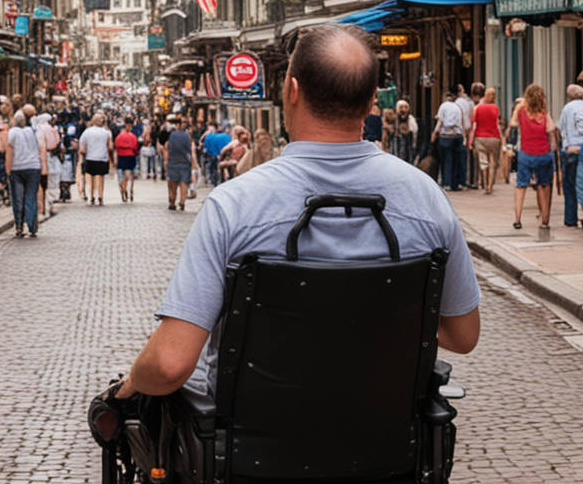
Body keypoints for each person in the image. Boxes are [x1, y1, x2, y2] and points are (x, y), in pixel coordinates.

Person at [111, 24, 480, 402]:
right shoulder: (427, 199)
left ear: (291, 91)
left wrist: (129, 385)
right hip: (388, 443)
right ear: (372, 103)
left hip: (251, 451)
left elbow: (169, 365)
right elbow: (464, 335)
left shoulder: (233, 206)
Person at [510, 85, 555, 231]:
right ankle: (545, 220)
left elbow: (513, 123)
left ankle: (517, 219)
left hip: (526, 153)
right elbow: (551, 128)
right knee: (543, 186)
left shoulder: (522, 111)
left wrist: (518, 108)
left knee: (521, 186)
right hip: (543, 153)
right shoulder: (543, 113)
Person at [4, 105, 45, 237]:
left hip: (17, 168)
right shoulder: (35, 130)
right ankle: (32, 226)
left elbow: (9, 152)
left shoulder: (12, 132)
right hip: (33, 167)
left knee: (18, 198)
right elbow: (41, 149)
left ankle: (19, 226)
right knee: (31, 196)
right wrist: (43, 167)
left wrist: (7, 169)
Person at [556, 86, 583, 226]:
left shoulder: (566, 108)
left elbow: (561, 127)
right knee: (582, 186)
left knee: (569, 187)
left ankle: (570, 218)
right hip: (579, 149)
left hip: (568, 149)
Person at [467, 87, 501, 194]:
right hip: (494, 137)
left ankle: (484, 183)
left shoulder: (477, 108)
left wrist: (470, 141)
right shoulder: (495, 108)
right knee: (493, 162)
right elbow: (497, 123)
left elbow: (473, 125)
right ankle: (490, 185)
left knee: (483, 162)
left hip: (480, 137)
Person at [432, 92, 465, 191]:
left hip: (446, 136)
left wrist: (434, 134)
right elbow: (462, 122)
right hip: (457, 136)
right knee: (456, 160)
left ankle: (447, 183)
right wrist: (465, 137)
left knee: (446, 160)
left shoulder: (443, 106)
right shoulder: (458, 107)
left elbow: (440, 121)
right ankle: (456, 183)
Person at [80, 111, 113, 206]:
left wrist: (84, 152)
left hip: (90, 157)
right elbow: (110, 147)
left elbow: (82, 145)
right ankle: (100, 196)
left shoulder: (87, 132)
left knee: (91, 177)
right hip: (102, 157)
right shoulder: (107, 132)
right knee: (100, 177)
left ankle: (91, 196)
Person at [164, 117, 195, 210]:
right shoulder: (187, 136)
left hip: (173, 161)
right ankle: (182, 202)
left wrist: (165, 161)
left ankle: (172, 201)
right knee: (183, 182)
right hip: (184, 162)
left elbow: (168, 147)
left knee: (172, 182)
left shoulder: (172, 135)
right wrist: (194, 165)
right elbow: (190, 151)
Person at [114, 119, 139, 203]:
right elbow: (135, 147)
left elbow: (116, 146)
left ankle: (123, 191)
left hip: (121, 156)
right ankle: (130, 189)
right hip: (130, 156)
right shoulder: (133, 136)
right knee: (130, 174)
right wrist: (136, 153)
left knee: (122, 175)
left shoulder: (119, 136)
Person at [202, 121, 231, 190]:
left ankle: (215, 181)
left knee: (213, 168)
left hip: (212, 154)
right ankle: (223, 180)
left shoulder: (208, 137)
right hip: (224, 154)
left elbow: (205, 146)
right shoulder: (226, 136)